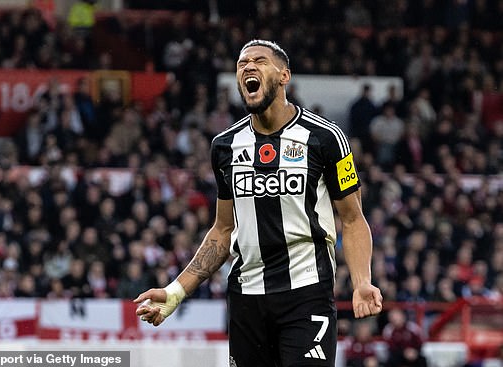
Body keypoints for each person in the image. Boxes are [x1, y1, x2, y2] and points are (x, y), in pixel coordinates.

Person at [135, 39, 383, 367]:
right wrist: (176, 291)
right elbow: (222, 230)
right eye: (242, 63)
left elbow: (352, 220)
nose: (248, 67)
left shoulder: (325, 137)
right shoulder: (225, 146)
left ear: (284, 77)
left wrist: (362, 281)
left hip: (307, 293)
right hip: (247, 299)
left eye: (260, 61)